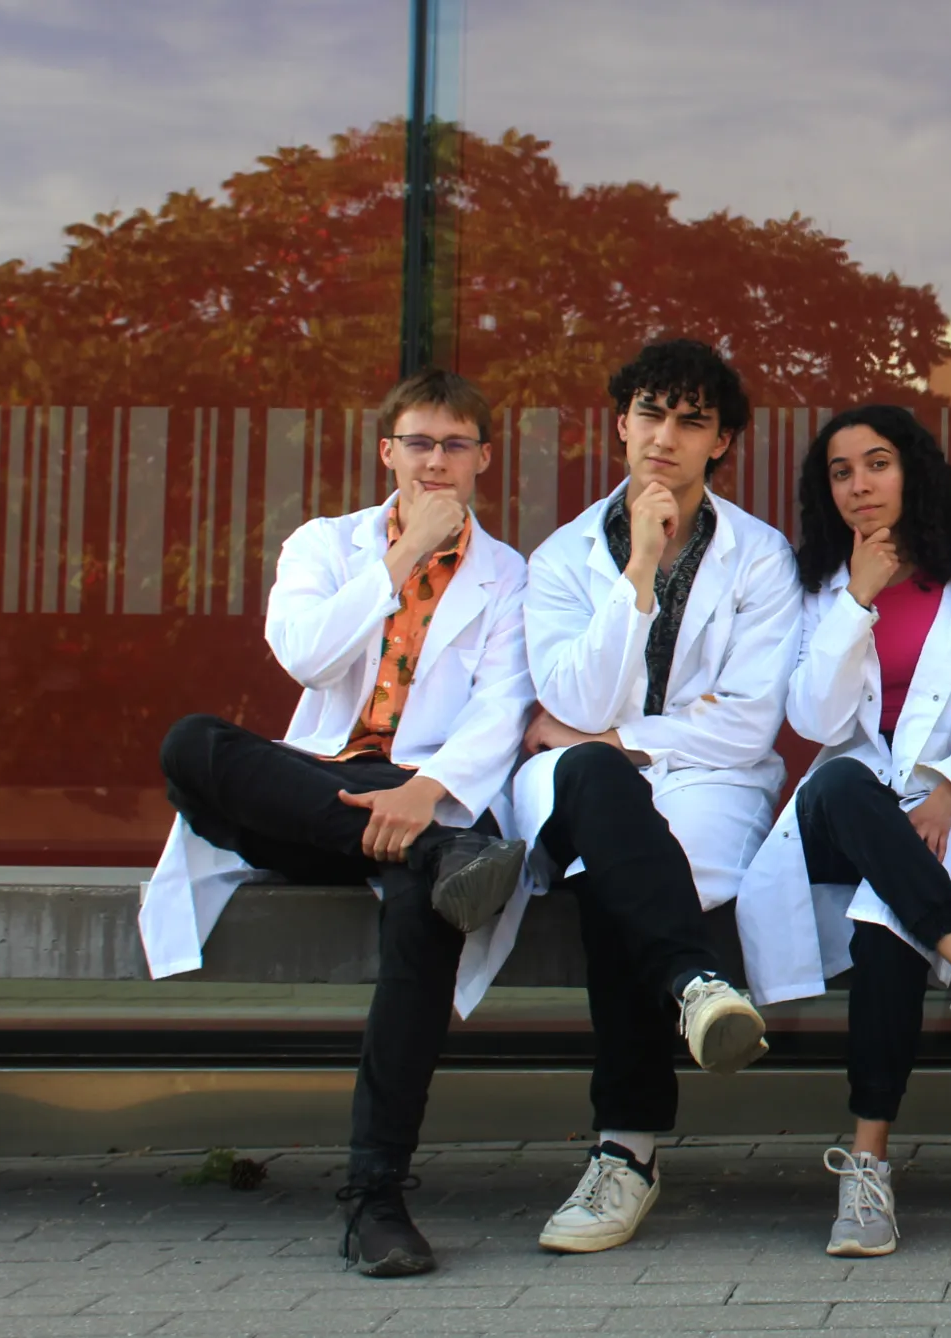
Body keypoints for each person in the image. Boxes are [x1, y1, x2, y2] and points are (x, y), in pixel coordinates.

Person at [143, 368, 534, 1277]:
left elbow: (504, 706)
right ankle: (447, 856)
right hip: (311, 791)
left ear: (484, 458)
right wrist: (400, 561)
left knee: (424, 910)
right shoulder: (326, 545)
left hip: (416, 791)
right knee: (193, 745)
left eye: (455, 446)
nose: (436, 463)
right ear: (386, 452)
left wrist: (425, 793)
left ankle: (376, 1201)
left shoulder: (510, 574)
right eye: (419, 444)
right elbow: (308, 658)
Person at [511, 338, 791, 1257]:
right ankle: (695, 984)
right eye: (650, 414)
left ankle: (625, 1152)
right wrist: (636, 572)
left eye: (691, 420)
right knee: (593, 798)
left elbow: (747, 724)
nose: (665, 436)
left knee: (614, 869)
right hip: (586, 785)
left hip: (711, 784)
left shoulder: (760, 558)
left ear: (722, 442)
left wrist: (609, 740)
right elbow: (575, 698)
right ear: (621, 422)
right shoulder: (558, 562)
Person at [737, 404, 951, 1257]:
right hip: (852, 809)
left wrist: (946, 788)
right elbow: (811, 714)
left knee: (884, 926)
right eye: (841, 471)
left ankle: (865, 1169)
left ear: (912, 472)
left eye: (876, 464)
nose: (860, 485)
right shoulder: (818, 587)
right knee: (837, 778)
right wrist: (858, 600)